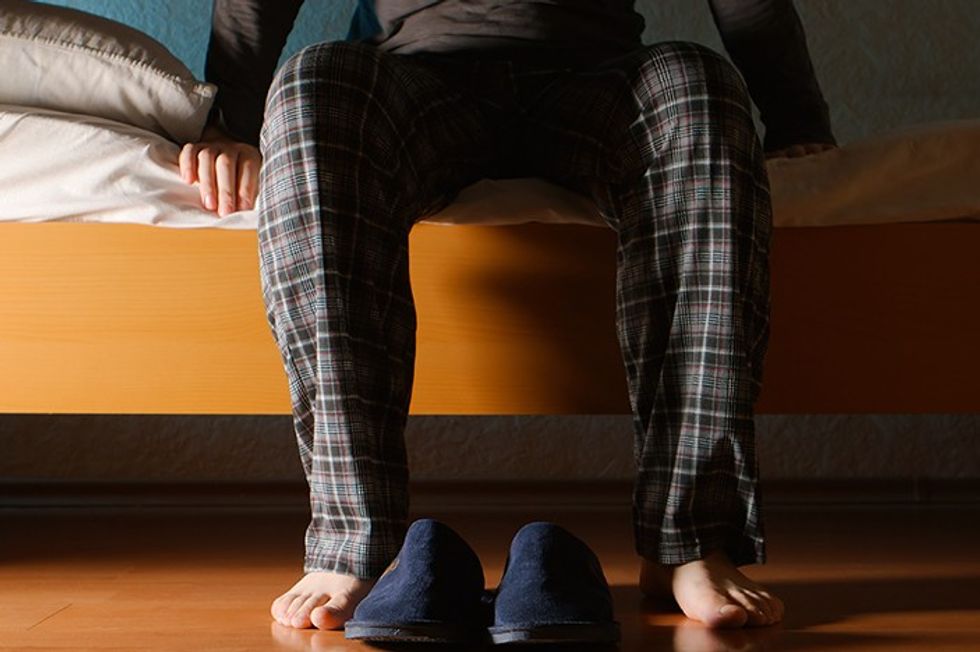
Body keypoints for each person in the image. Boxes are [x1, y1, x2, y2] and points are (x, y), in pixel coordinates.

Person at [180, 0, 836, 632]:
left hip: (601, 78)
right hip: (418, 79)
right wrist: (231, 123)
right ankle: (355, 541)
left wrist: (799, 123)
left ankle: (689, 538)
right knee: (311, 84)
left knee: (699, 86)